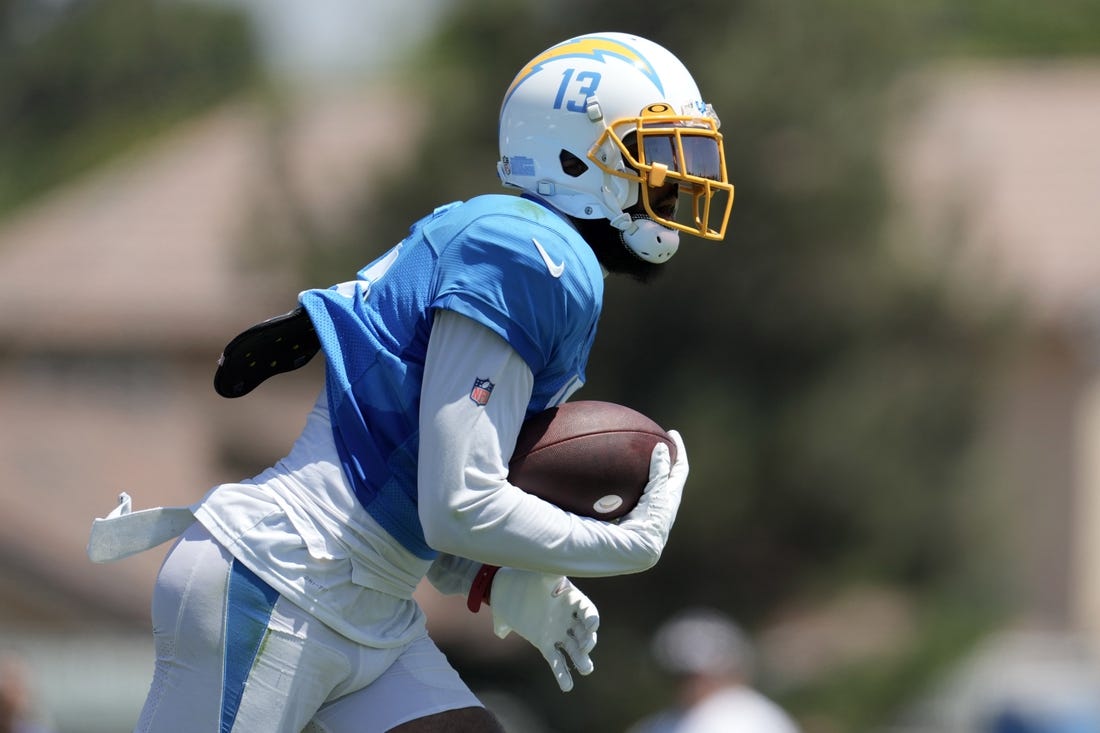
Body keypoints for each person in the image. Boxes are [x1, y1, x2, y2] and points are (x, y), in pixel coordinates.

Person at [88, 31, 734, 732]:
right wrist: (622, 545)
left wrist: (501, 576)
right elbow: (458, 502)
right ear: (574, 155)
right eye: (658, 150)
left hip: (360, 599)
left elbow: (426, 493)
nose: (679, 176)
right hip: (282, 578)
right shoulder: (530, 252)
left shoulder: (525, 244)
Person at [627, 608, 799, 733]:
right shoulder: (661, 723)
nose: (691, 686)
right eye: (682, 677)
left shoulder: (743, 715)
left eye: (695, 677)